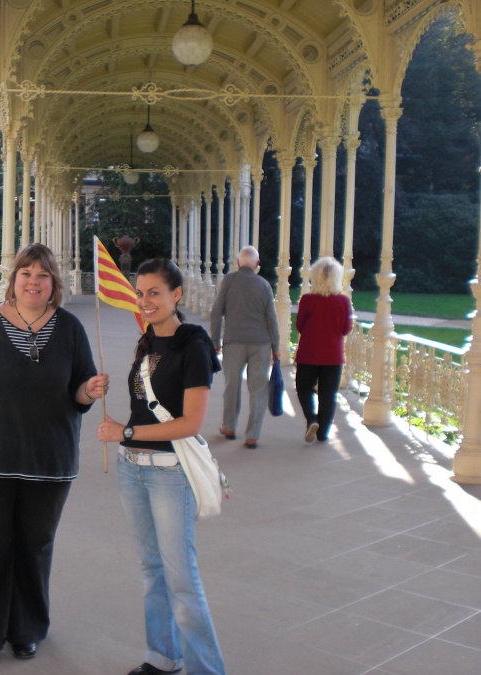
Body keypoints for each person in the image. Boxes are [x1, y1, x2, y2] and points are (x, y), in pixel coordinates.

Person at [0, 243, 108, 670]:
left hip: (49, 463)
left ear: (54, 284)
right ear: (14, 279)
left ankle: (25, 630)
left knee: (34, 548)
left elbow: (79, 389)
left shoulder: (70, 328)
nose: (34, 282)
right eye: (26, 273)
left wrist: (89, 391)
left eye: (43, 275)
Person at [97, 259, 225, 675]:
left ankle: (207, 669)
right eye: (140, 292)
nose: (145, 300)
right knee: (152, 569)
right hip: (132, 468)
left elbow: (190, 424)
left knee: (181, 578)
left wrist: (125, 432)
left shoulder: (194, 345)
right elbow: (147, 408)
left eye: (154, 292)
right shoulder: (147, 341)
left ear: (176, 294)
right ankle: (163, 657)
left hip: (170, 472)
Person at [209, 246, 280, 449]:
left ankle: (229, 427)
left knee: (232, 386)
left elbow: (217, 312)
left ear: (238, 263)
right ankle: (252, 436)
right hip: (261, 343)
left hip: (234, 342)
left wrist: (215, 340)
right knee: (258, 390)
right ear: (257, 264)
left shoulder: (229, 281)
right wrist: (276, 346)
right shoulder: (264, 285)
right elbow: (272, 319)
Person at [294, 257, 354, 443]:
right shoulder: (343, 301)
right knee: (328, 394)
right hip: (333, 355)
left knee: (304, 388)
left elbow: (299, 326)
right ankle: (323, 433)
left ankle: (312, 419)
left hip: (309, 353)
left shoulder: (307, 300)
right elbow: (346, 329)